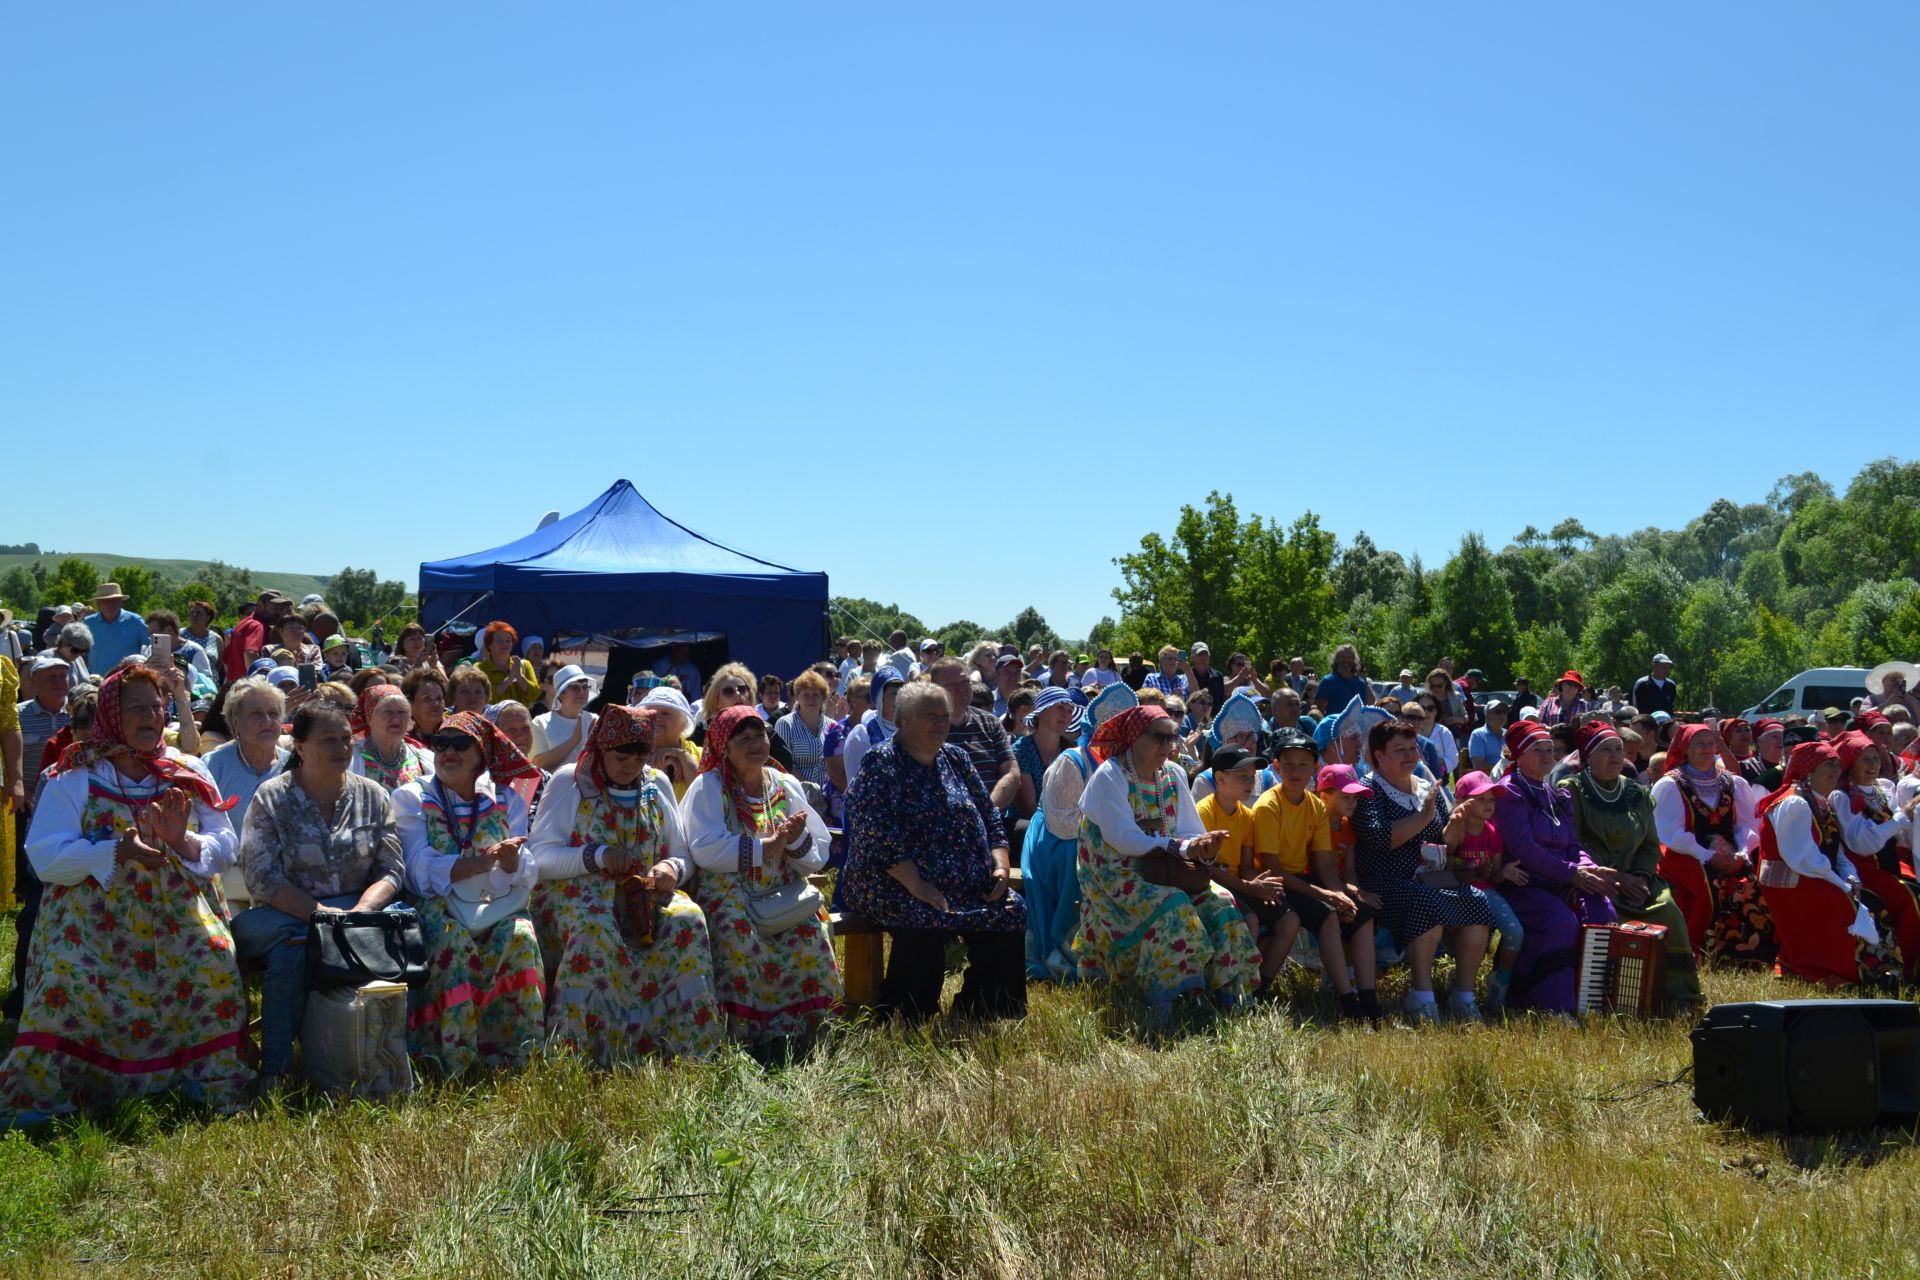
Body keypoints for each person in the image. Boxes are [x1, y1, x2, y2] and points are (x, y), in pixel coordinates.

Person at [0, 667, 250, 1118]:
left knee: (214, 962)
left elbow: (226, 843)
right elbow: (44, 856)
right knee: (67, 978)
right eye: (137, 706)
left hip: (178, 914)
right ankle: (69, 1089)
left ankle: (203, 1082)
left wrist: (183, 841)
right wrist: (115, 849)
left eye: (157, 706)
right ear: (112, 715)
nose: (151, 715)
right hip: (92, 919)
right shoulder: (75, 773)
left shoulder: (187, 769)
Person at [526, 704, 723, 1062]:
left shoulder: (656, 783)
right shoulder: (570, 781)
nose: (630, 763)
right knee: (594, 928)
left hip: (643, 896)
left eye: (639, 754)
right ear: (602, 748)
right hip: (578, 895)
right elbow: (538, 857)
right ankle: (585, 1050)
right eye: (621, 754)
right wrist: (595, 855)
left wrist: (671, 869)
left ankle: (683, 1044)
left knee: (688, 919)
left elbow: (682, 851)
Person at [230, 699, 409, 1081]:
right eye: (329, 740)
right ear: (300, 747)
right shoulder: (272, 797)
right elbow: (263, 878)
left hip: (360, 915)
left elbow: (391, 870)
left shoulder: (373, 795)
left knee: (409, 940)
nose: (342, 749)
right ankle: (276, 1075)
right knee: (292, 953)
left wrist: (359, 913)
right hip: (292, 918)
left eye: (346, 739)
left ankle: (387, 1065)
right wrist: (323, 916)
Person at [841, 682, 1027, 1024]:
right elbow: (876, 833)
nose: (942, 723)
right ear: (904, 720)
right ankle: (906, 1014)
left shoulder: (956, 758)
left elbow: (990, 817)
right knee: (924, 915)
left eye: (945, 716)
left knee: (1010, 910)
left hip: (963, 881)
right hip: (891, 881)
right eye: (931, 716)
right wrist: (915, 883)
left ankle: (984, 1007)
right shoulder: (881, 763)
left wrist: (1000, 865)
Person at [392, 711, 546, 1076]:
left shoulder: (507, 799)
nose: (447, 752)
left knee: (520, 936)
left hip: (495, 901)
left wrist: (508, 864)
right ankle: (449, 1059)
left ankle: (513, 1053)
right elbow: (416, 871)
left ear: (482, 754)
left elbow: (527, 866)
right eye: (440, 744)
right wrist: (482, 863)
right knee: (454, 943)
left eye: (460, 744)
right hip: (437, 905)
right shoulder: (413, 796)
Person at [1074, 705, 1259, 1008]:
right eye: (1159, 737)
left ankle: (1229, 995)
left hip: (1165, 867)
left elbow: (1188, 830)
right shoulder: (1110, 775)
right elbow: (1124, 839)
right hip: (1117, 874)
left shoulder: (1173, 773)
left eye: (1172, 737)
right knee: (1175, 907)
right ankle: (1170, 1001)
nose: (1168, 745)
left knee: (1222, 901)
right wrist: (1179, 847)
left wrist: (1202, 846)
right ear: (1135, 737)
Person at [682, 706, 840, 1045]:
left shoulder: (783, 783)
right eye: (744, 739)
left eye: (760, 737)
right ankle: (748, 1036)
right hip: (728, 891)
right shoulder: (709, 787)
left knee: (810, 930)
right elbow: (704, 848)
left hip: (781, 891)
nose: (756, 744)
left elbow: (818, 850)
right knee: (737, 933)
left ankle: (810, 1029)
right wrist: (766, 848)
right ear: (724, 747)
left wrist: (796, 839)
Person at [1351, 718, 1496, 1023]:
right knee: (1425, 901)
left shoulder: (1426, 788)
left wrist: (1454, 825)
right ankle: (1422, 996)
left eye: (1412, 748)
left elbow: (1447, 845)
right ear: (1379, 756)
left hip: (1429, 876)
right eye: (1400, 749)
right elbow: (1381, 839)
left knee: (1477, 901)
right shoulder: (1368, 791)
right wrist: (1424, 814)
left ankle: (1464, 996)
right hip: (1385, 881)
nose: (1410, 755)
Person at [1561, 721, 1703, 1010]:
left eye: (1619, 749)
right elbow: (1570, 843)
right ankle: (1609, 995)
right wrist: (1616, 878)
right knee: (1606, 916)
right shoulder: (1571, 791)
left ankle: (1678, 995)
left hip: (1639, 880)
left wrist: (1639, 876)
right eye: (1606, 750)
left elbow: (1651, 845)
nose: (1615, 756)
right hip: (1594, 879)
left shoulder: (1637, 792)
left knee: (1669, 911)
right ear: (1587, 756)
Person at [1489, 720, 1619, 1016]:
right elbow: (1525, 851)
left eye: (1550, 750)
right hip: (1523, 884)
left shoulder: (1555, 794)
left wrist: (1590, 869)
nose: (1547, 756)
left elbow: (1574, 845)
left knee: (1603, 910)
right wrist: (1573, 873)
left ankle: (1593, 999)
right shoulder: (1510, 793)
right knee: (1561, 921)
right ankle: (1555, 1006)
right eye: (1538, 750)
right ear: (1518, 755)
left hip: (1561, 879)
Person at [1258, 731, 1384, 1019]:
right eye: (1288, 764)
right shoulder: (1269, 804)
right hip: (1274, 881)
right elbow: (1273, 868)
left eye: (1304, 765)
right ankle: (1347, 1000)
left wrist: (1341, 895)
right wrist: (1326, 894)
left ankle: (1366, 998)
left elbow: (1325, 864)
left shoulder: (1314, 805)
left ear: (1315, 769)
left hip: (1301, 879)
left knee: (1360, 912)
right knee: (1326, 913)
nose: (1295, 772)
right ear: (1276, 766)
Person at [1755, 740, 1899, 987]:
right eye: (1827, 765)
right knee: (1847, 906)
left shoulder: (1820, 800)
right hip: (1792, 882)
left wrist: (1849, 875)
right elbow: (1801, 858)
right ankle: (1840, 971)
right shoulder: (1796, 803)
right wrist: (1840, 885)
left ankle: (1879, 973)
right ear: (1809, 771)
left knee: (1869, 900)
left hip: (1813, 875)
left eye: (1837, 764)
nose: (1835, 771)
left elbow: (1836, 849)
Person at [1021, 682, 1135, 981]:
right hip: (1059, 839)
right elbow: (1061, 822)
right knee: (1082, 857)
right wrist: (1108, 829)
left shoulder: (1128, 764)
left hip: (1102, 835)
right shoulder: (1072, 762)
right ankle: (1073, 946)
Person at [1652, 722, 1775, 965]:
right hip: (1686, 853)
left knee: (1753, 883)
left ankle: (1749, 955)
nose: (1707, 749)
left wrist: (1741, 851)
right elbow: (1668, 832)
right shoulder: (1671, 784)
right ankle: (1703, 953)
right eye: (1700, 743)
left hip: (1731, 853)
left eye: (1711, 743)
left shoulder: (1733, 782)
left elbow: (1748, 824)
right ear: (1686, 747)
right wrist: (1707, 856)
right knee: (1707, 886)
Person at [1198, 744, 1297, 993]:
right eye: (1242, 777)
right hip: (1210, 885)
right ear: (1220, 778)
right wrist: (1249, 888)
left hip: (1237, 885)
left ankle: (1261, 986)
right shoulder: (1204, 812)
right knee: (1250, 920)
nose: (1250, 783)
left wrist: (1262, 886)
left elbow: (1245, 866)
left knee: (1289, 920)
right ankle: (1235, 987)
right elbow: (1206, 868)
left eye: (1251, 777)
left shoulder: (1247, 815)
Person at [1830, 731, 1920, 981]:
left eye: (1875, 758)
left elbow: (1897, 834)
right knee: (1910, 899)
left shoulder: (1883, 789)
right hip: (1862, 869)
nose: (1873, 765)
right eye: (1865, 760)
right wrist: (1903, 816)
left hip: (1889, 865)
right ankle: (1910, 970)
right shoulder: (1842, 796)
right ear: (1850, 764)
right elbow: (1862, 843)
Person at [1441, 771, 1526, 1013]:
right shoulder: (1455, 828)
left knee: (1515, 933)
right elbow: (1445, 863)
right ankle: (1460, 982)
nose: (1489, 805)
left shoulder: (1493, 832)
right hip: (1458, 892)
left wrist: (1504, 873)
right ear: (1463, 801)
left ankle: (1500, 981)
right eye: (1481, 799)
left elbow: (1493, 875)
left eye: (1492, 799)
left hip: (1486, 892)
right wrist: (1468, 868)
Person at [929, 659, 1019, 811]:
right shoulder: (925, 727)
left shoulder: (990, 722)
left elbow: (1011, 773)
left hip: (992, 816)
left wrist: (987, 810)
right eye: (952, 685)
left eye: (965, 681)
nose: (961, 689)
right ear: (934, 688)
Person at [349, 681, 434, 790]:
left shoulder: (423, 758)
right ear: (370, 718)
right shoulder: (352, 757)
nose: (396, 718)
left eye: (402, 712)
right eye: (388, 712)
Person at [843, 666, 904, 788]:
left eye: (902, 692)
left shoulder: (912, 729)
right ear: (880, 698)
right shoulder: (862, 734)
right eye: (893, 694)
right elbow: (854, 781)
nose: (899, 698)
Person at [531, 664, 596, 772]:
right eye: (575, 687)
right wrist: (573, 741)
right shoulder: (540, 723)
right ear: (560, 694)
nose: (582, 692)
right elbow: (537, 764)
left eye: (585, 687)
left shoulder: (596, 720)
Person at [774, 669, 832, 787]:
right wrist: (809, 790)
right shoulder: (785, 724)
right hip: (796, 793)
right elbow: (784, 763)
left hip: (828, 796)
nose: (811, 699)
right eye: (806, 694)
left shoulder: (832, 726)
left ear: (823, 698)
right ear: (797, 697)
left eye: (816, 694)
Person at [80, 581, 150, 672]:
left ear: (121, 602)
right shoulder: (88, 623)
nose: (111, 604)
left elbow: (152, 647)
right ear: (98, 603)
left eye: (115, 600)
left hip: (126, 681)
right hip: (97, 681)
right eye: (106, 601)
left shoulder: (135, 621)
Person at [1314, 645, 1373, 715]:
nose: (1346, 660)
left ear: (1354, 660)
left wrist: (1365, 680)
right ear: (1336, 660)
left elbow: (1370, 704)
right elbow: (1320, 711)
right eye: (1343, 657)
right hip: (1334, 724)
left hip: (1355, 725)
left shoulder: (1360, 683)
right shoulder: (1327, 681)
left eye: (1349, 657)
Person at [404, 666, 450, 744]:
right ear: (410, 704)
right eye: (427, 699)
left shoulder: (454, 733)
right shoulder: (400, 737)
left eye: (439, 698)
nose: (435, 704)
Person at [1468, 700, 1509, 773]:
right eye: (1498, 711)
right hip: (1487, 778)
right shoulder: (1478, 735)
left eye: (1505, 712)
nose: (1502, 715)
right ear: (1487, 715)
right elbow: (1478, 765)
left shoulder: (1508, 734)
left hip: (1508, 776)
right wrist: (1502, 769)